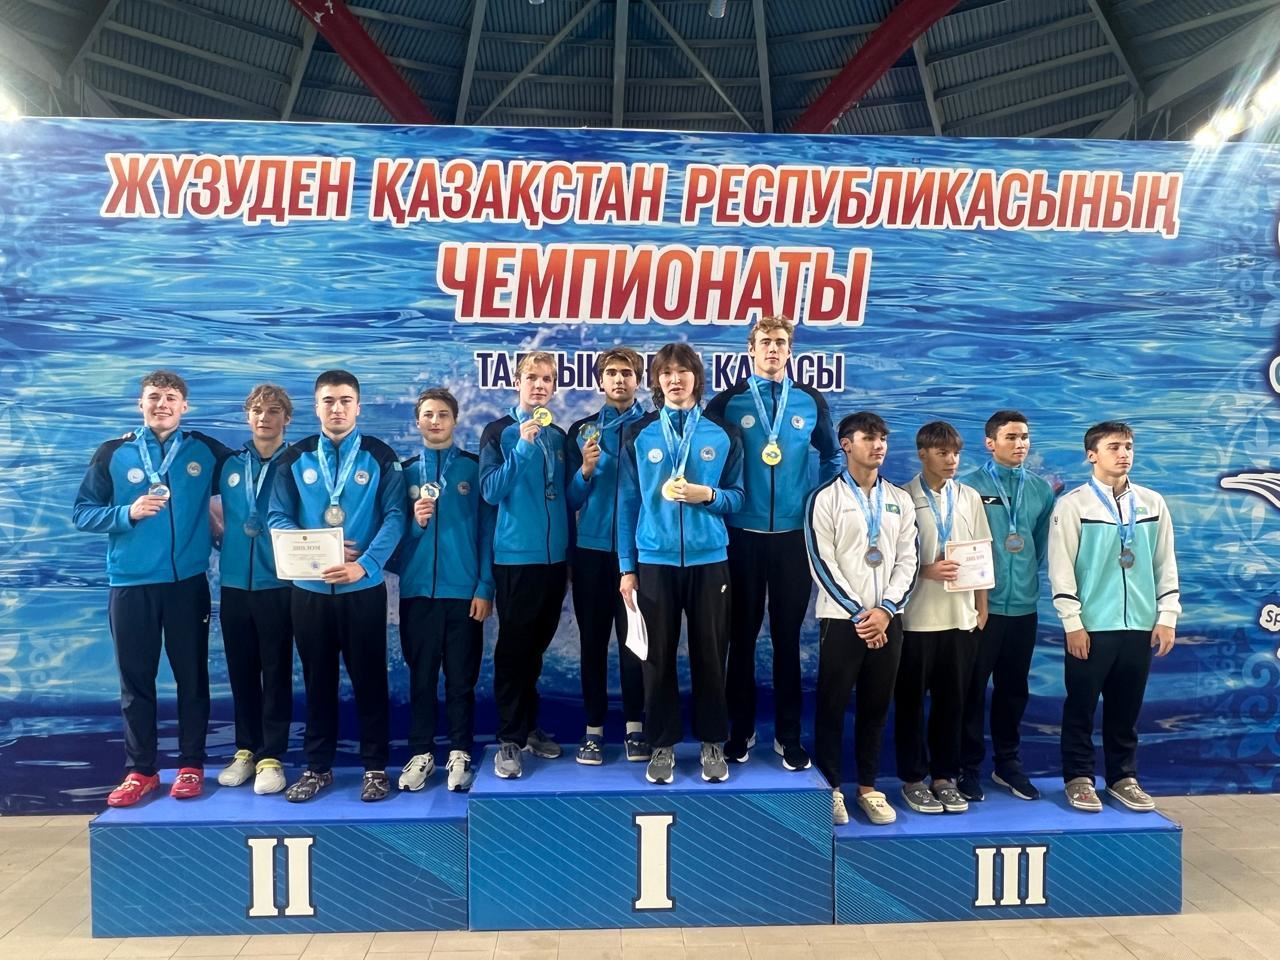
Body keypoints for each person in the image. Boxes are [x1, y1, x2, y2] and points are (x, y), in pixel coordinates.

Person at [73, 370, 233, 806]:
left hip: (186, 585)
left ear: (185, 406)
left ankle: (191, 765)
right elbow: (83, 513)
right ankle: (140, 770)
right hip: (131, 584)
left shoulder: (204, 450)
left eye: (171, 398)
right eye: (154, 397)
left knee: (192, 678)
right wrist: (127, 512)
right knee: (136, 682)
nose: (162, 404)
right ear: (140, 404)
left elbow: (249, 472)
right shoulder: (113, 452)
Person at [705, 316, 842, 771]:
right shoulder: (727, 402)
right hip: (741, 538)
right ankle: (739, 731)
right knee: (740, 639)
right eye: (765, 341)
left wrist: (814, 505)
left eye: (780, 342)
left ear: (789, 350)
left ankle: (788, 736)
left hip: (791, 540)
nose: (772, 349)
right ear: (751, 349)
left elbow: (832, 454)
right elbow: (707, 461)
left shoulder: (808, 400)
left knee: (787, 639)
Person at [268, 370, 405, 802]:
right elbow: (277, 516)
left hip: (362, 590)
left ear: (358, 406)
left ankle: (375, 768)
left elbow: (395, 516)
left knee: (370, 681)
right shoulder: (295, 457)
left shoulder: (380, 456)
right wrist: (316, 550)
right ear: (316, 407)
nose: (337, 408)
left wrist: (365, 565)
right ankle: (317, 768)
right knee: (317, 682)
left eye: (345, 400)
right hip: (309, 593)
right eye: (328, 401)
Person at [618, 343, 744, 786]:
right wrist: (627, 567)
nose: (675, 379)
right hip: (654, 560)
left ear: (696, 378)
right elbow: (627, 503)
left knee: (711, 653)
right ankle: (662, 744)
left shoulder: (722, 433)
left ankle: (713, 742)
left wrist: (707, 495)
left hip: (710, 560)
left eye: (683, 371)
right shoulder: (639, 434)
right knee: (656, 657)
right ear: (657, 380)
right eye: (666, 372)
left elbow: (738, 497)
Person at [1050, 421, 1179, 813]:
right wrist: (1072, 622)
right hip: (1091, 626)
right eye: (1113, 447)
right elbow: (1061, 568)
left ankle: (1123, 778)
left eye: (1128, 446)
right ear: (1092, 454)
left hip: (1139, 624)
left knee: (1126, 710)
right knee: (1081, 707)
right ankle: (1079, 778)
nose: (1124, 454)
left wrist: (1167, 615)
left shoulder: (1152, 503)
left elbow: (1165, 562)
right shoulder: (1073, 505)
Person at [805, 411, 918, 827]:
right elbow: (821, 562)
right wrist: (859, 613)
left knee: (876, 706)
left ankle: (868, 787)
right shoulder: (825, 498)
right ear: (846, 444)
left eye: (882, 438)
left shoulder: (900, 499)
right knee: (832, 706)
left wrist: (885, 609)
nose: (879, 445)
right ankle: (832, 786)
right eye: (869, 438)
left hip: (888, 620)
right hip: (842, 620)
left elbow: (909, 559)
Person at [396, 388, 495, 793]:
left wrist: (485, 586)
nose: (435, 421)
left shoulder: (473, 468)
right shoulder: (403, 473)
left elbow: (487, 532)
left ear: (455, 420)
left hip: (464, 594)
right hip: (417, 594)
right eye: (428, 415)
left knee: (461, 680)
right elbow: (389, 544)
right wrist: (415, 524)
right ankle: (421, 753)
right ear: (417, 421)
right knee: (420, 678)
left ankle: (459, 752)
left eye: (442, 415)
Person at [479, 352, 570, 779]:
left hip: (555, 561)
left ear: (554, 387)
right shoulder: (499, 432)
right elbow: (490, 491)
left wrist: (586, 473)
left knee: (534, 652)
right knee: (513, 652)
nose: (539, 385)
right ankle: (509, 739)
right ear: (518, 382)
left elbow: (567, 496)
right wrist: (522, 447)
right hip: (516, 558)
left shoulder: (560, 435)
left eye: (547, 379)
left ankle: (529, 728)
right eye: (532, 377)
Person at [959, 410, 1055, 802]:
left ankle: (1007, 764)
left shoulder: (1041, 490)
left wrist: (1026, 585)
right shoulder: (969, 487)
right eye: (1011, 437)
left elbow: (1038, 546)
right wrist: (977, 599)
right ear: (990, 443)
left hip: (1023, 609)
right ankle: (966, 767)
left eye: (1025, 437)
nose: (1020, 444)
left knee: (1013, 690)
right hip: (982, 611)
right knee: (970, 691)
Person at [895, 422, 991, 814]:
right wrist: (926, 571)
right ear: (922, 454)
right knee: (910, 705)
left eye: (955, 453)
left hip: (960, 619)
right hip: (915, 620)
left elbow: (982, 553)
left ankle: (944, 777)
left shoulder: (969, 497)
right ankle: (913, 779)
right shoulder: (902, 497)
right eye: (942, 453)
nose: (951, 460)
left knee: (953, 705)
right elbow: (893, 558)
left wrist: (981, 607)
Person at [566, 348, 649, 765]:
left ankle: (636, 729)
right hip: (592, 554)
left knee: (636, 645)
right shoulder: (581, 431)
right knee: (593, 644)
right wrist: (584, 471)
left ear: (638, 380)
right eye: (612, 373)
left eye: (627, 373)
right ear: (600, 381)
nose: (619, 379)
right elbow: (570, 499)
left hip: (640, 554)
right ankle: (593, 731)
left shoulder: (653, 428)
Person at [213, 385, 296, 796]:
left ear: (287, 418)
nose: (265, 417)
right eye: (258, 410)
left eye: (274, 410)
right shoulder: (229, 463)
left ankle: (271, 757)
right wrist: (220, 537)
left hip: (278, 584)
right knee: (241, 671)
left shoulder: (298, 462)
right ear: (247, 416)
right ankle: (245, 750)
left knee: (276, 672)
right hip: (233, 584)